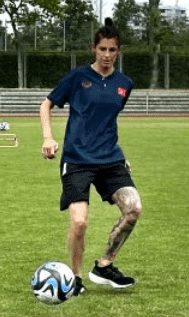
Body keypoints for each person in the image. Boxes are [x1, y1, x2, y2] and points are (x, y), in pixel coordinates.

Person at [39, 18, 141, 295]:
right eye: (102, 49)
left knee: (133, 208)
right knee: (79, 221)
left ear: (119, 52)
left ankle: (104, 265)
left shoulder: (124, 84)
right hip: (77, 159)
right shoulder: (77, 77)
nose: (107, 55)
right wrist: (48, 138)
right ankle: (74, 278)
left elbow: (106, 122)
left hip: (111, 159)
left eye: (112, 50)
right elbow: (46, 105)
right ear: (93, 49)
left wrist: (121, 156)